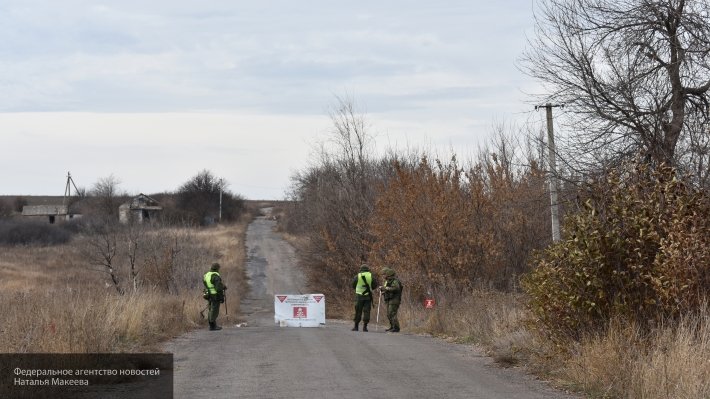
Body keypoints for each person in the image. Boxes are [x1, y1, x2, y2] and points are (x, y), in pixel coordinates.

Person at [352, 263, 377, 332]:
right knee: (367, 311)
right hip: (368, 296)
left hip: (359, 296)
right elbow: (375, 285)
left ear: (361, 269)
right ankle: (365, 327)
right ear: (368, 269)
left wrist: (357, 289)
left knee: (358, 311)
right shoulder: (371, 276)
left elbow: (353, 284)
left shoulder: (358, 276)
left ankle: (356, 326)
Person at [203, 262, 227, 331]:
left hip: (208, 294)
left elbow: (207, 284)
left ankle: (212, 325)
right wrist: (221, 297)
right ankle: (213, 326)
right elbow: (218, 288)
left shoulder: (207, 275)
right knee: (215, 310)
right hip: (215, 295)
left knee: (211, 309)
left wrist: (222, 286)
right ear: (217, 268)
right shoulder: (215, 276)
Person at [379, 267, 401, 333]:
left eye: (384, 274)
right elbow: (387, 289)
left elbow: (396, 288)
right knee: (388, 314)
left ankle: (396, 328)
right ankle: (392, 326)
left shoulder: (395, 281)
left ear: (388, 274)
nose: (383, 276)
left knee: (392, 313)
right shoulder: (387, 281)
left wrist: (386, 288)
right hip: (389, 299)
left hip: (394, 299)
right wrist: (383, 291)